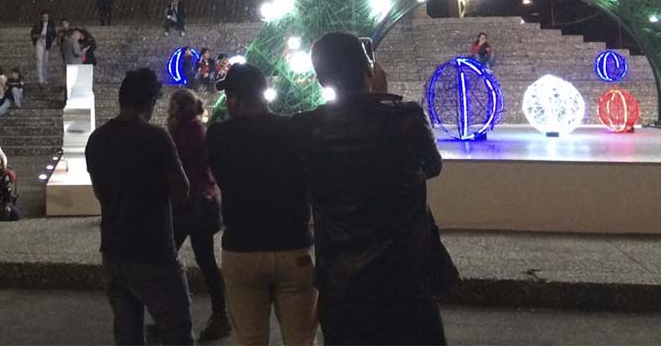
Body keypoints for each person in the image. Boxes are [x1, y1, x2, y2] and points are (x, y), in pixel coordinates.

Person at [292, 32, 459, 346]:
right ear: (369, 70)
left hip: (342, 283)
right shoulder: (406, 117)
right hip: (407, 278)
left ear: (319, 78)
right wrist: (381, 99)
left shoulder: (303, 128)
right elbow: (433, 167)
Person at [208, 64, 316, 346]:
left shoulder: (218, 135)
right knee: (301, 339)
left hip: (242, 249)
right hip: (294, 246)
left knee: (249, 340)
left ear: (234, 99)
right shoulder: (296, 128)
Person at [86, 68, 194, 346]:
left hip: (113, 251)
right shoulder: (156, 137)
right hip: (154, 252)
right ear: (150, 102)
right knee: (177, 332)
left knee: (127, 334)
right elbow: (181, 191)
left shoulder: (96, 140)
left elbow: (100, 193)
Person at [166, 89, 230, 342]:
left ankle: (175, 319)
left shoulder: (190, 130)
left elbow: (175, 160)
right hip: (197, 202)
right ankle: (217, 315)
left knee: (169, 257)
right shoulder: (192, 128)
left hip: (194, 204)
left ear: (181, 107)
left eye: (173, 105)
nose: (169, 110)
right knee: (200, 259)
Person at [30, 11, 56, 87]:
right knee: (39, 60)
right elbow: (33, 33)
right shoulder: (38, 24)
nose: (45, 18)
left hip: (47, 43)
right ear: (41, 17)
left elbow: (54, 34)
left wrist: (51, 40)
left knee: (45, 62)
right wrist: (38, 36)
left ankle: (45, 79)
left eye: (46, 17)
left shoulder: (51, 24)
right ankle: (40, 80)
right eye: (44, 17)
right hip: (39, 42)